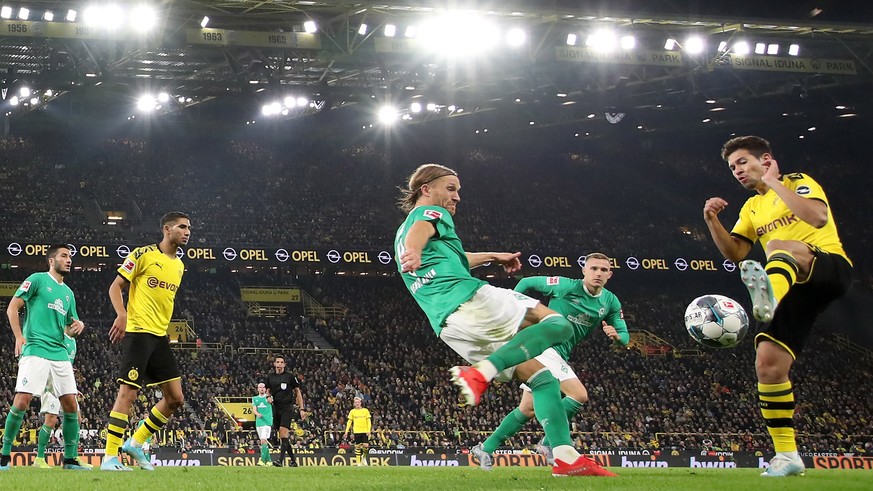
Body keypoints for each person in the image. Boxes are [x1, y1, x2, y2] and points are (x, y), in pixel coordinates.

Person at [394, 163, 613, 477]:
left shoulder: (402, 233)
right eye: (451, 189)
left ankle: (565, 457)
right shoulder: (429, 214)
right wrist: (413, 251)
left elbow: (457, 258)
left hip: (449, 325)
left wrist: (496, 256)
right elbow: (421, 230)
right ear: (426, 189)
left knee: (543, 380)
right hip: (470, 298)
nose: (457, 197)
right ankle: (482, 372)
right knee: (559, 325)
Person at [703, 136, 853, 477]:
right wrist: (712, 220)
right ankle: (787, 457)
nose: (737, 171)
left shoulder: (797, 182)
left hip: (827, 267)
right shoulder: (750, 209)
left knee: (782, 245)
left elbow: (816, 218)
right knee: (767, 364)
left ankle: (769, 292)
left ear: (765, 159)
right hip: (792, 286)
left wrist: (773, 183)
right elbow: (736, 254)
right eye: (732, 168)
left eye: (742, 162)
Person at [473, 253, 628, 470]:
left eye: (603, 270)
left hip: (559, 352)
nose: (598, 273)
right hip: (545, 346)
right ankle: (551, 442)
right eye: (593, 268)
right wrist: (512, 312)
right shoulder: (564, 286)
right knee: (578, 394)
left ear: (609, 274)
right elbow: (527, 282)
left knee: (527, 409)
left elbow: (624, 335)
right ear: (584, 270)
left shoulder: (610, 301)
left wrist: (618, 338)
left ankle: (486, 448)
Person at [100, 212, 191, 471]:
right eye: (182, 227)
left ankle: (136, 442)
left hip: (160, 337)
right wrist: (122, 314)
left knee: (175, 398)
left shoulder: (180, 266)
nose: (187, 232)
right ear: (166, 229)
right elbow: (115, 287)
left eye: (189, 228)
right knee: (128, 393)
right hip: (139, 332)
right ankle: (109, 457)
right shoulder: (143, 255)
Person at [1, 244, 90, 471]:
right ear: (52, 260)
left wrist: (77, 325)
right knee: (22, 400)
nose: (69, 260)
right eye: (64, 256)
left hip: (59, 353)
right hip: (36, 349)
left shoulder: (68, 294)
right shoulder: (38, 280)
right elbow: (13, 307)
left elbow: (69, 327)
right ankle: (4, 455)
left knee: (71, 405)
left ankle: (70, 459)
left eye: (70, 256)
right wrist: (19, 336)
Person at [32, 333, 92, 469]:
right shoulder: (58, 335)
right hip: (51, 382)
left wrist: (73, 387)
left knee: (77, 418)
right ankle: (39, 458)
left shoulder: (73, 342)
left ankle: (72, 456)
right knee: (51, 420)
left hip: (65, 383)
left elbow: (67, 367)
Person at [264, 355, 306, 467]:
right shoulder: (270, 377)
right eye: (277, 362)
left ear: (284, 364)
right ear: (274, 364)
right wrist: (268, 397)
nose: (279, 364)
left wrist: (301, 408)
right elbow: (268, 391)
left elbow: (298, 392)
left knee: (283, 432)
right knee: (283, 436)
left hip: (287, 407)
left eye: (281, 362)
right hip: (275, 407)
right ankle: (293, 461)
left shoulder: (290, 377)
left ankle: (280, 461)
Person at [342, 397, 372, 466]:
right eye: (356, 402)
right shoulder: (352, 411)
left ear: (361, 403)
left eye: (358, 402)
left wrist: (368, 430)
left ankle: (363, 457)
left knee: (366, 446)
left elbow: (368, 421)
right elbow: (349, 422)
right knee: (358, 446)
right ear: (354, 404)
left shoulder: (365, 411)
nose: (357, 403)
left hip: (364, 431)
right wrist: (346, 431)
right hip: (357, 431)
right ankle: (358, 463)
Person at [252, 383, 274, 467]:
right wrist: (258, 414)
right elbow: (254, 409)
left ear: (265, 389)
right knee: (263, 441)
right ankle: (269, 461)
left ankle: (261, 460)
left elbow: (272, 401)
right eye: (260, 387)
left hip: (267, 422)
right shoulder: (254, 399)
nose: (261, 389)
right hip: (259, 422)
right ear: (257, 389)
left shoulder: (268, 398)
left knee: (263, 440)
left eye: (263, 387)